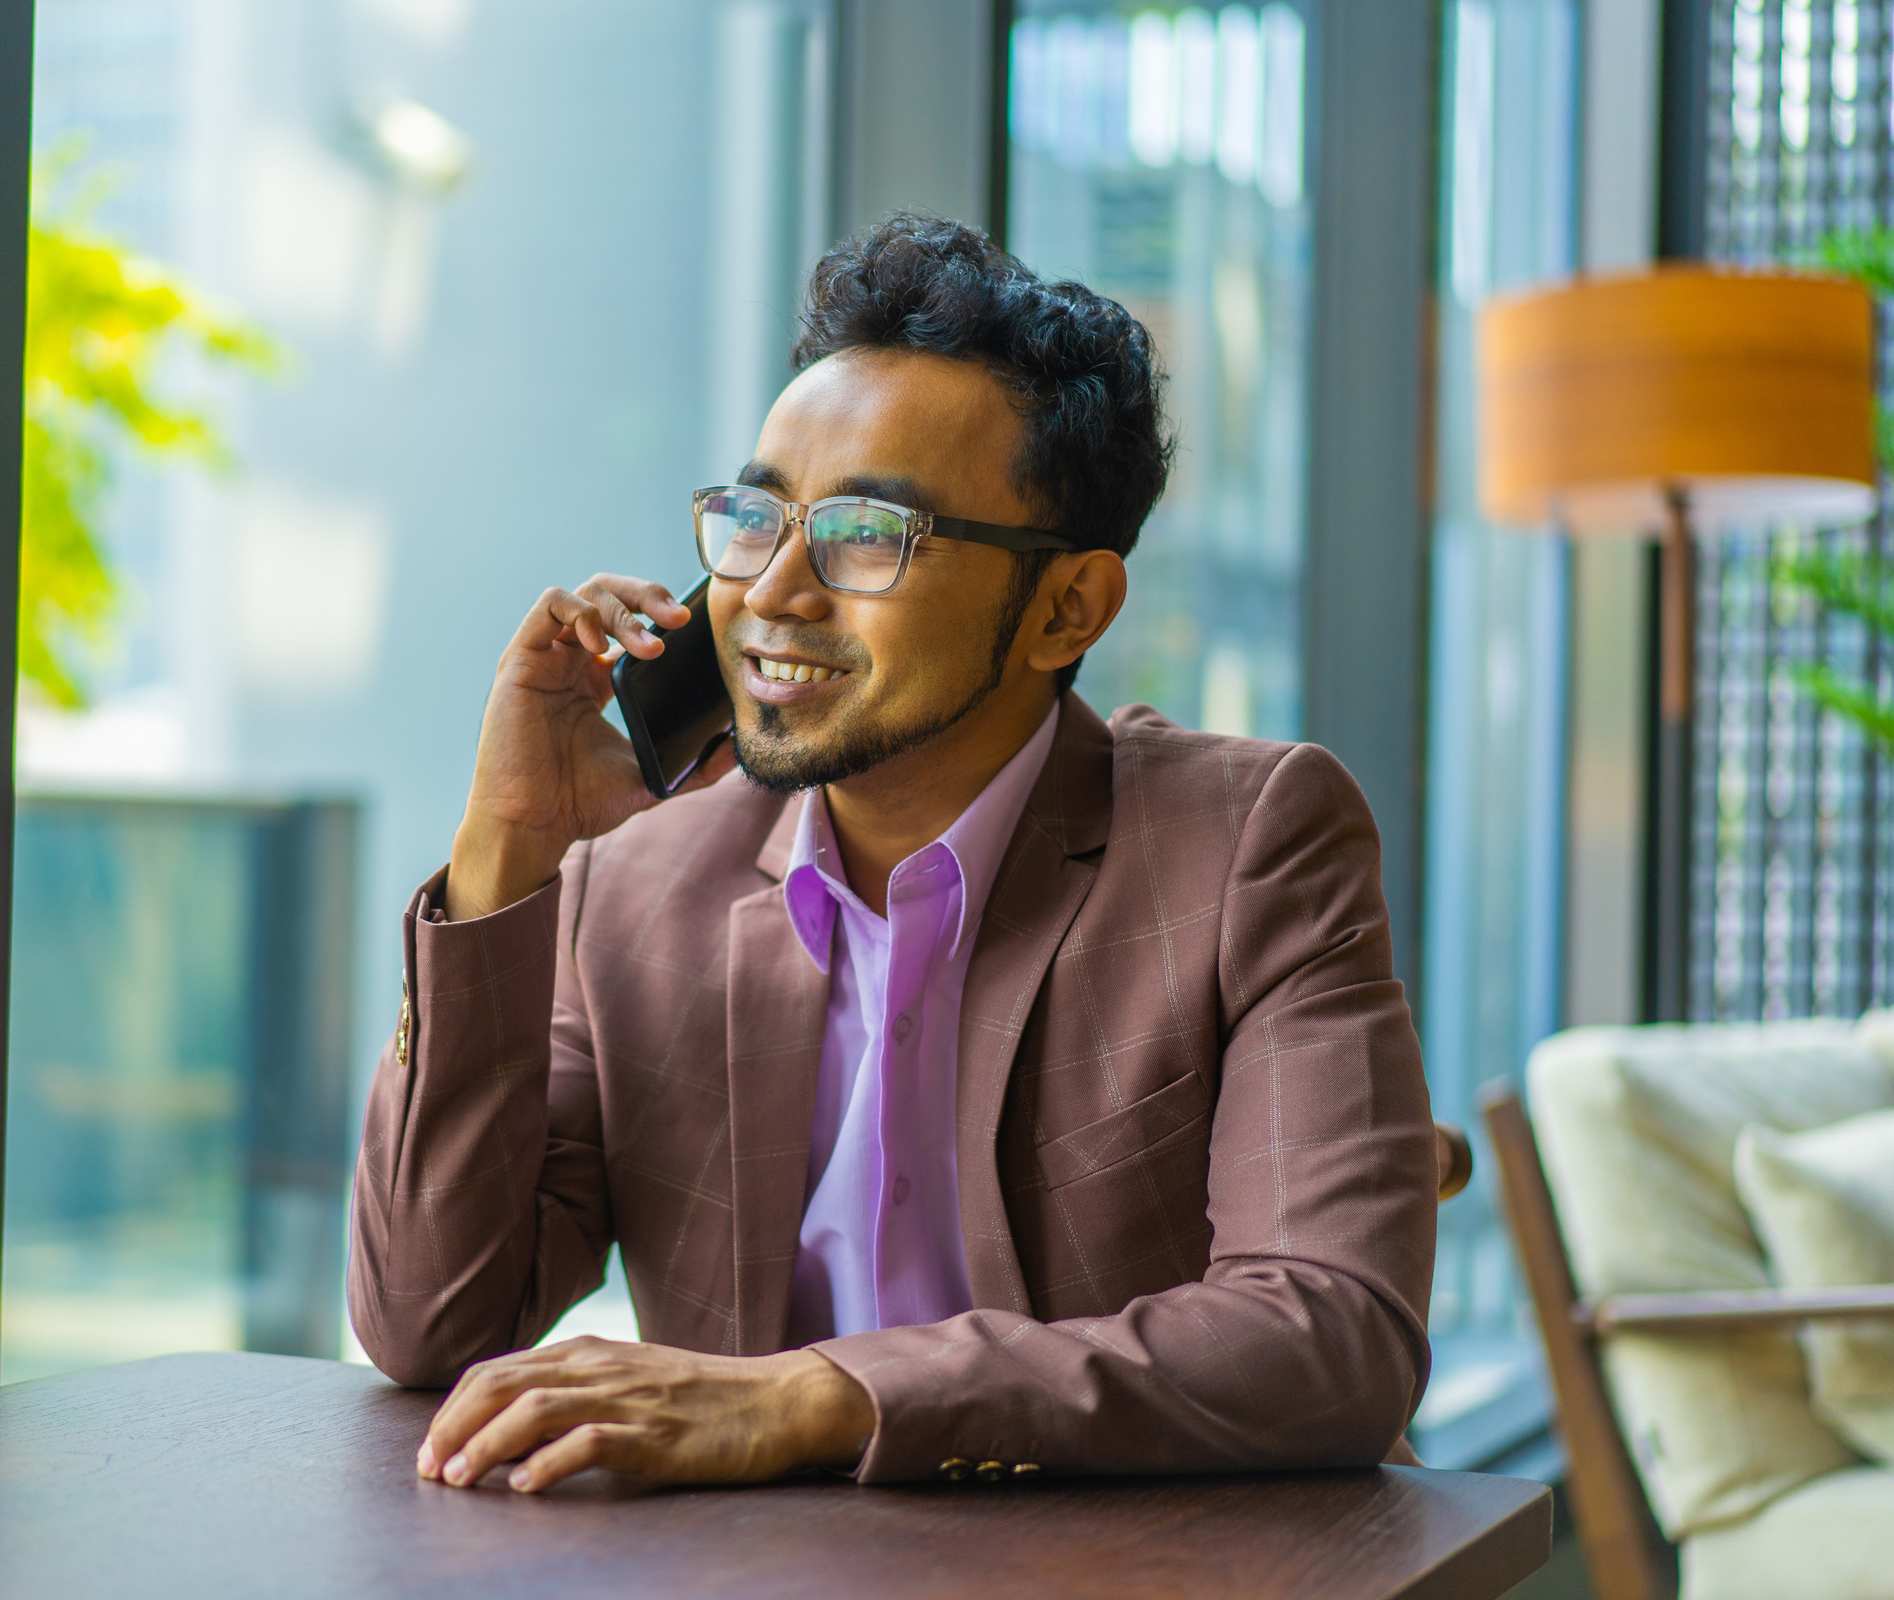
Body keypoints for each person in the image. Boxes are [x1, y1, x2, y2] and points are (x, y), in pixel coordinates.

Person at [349, 214, 1437, 1494]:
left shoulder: (1251, 845)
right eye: (755, 518)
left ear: (1066, 606)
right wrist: (507, 850)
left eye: (869, 533)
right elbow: (432, 1320)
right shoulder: (637, 882)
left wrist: (816, 1395)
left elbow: (1332, 1334)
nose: (775, 591)